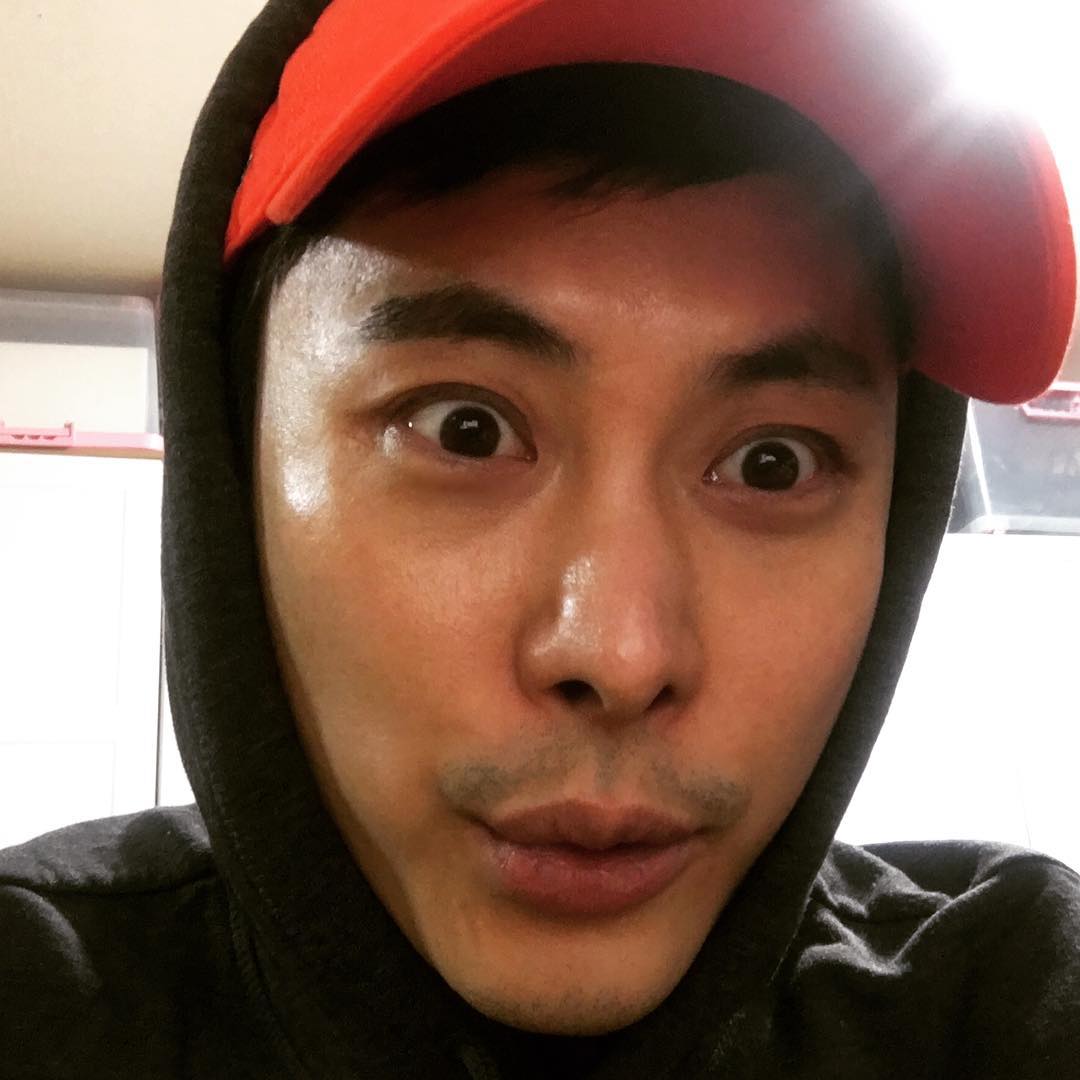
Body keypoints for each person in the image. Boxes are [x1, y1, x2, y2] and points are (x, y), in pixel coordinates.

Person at [2, 1, 1078, 1076]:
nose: (620, 655)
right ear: (233, 470)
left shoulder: (1004, 993)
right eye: (463, 429)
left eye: (773, 463)